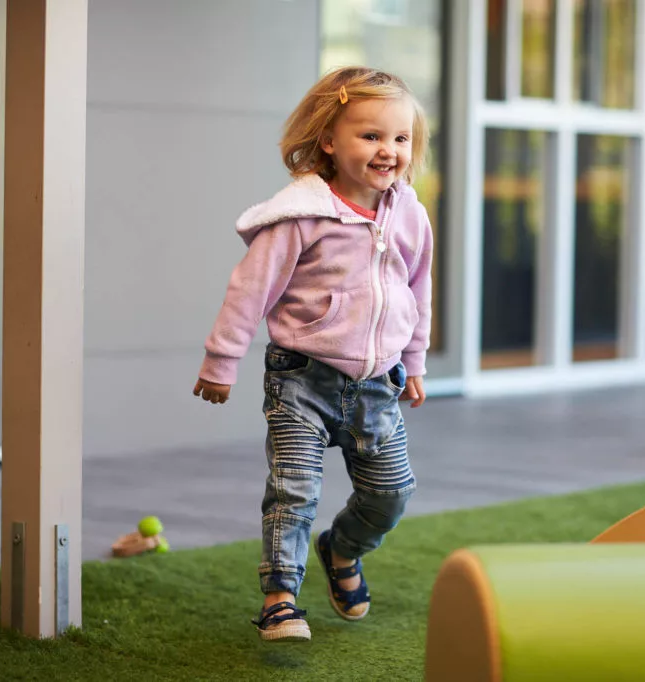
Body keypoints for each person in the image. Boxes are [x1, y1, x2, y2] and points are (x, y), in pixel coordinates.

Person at [192, 66, 433, 642]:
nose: (388, 151)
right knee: (294, 488)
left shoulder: (409, 216)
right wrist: (221, 362)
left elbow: (417, 290)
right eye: (371, 136)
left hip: (377, 383)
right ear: (329, 139)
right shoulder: (301, 214)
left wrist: (416, 361)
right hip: (302, 378)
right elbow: (252, 289)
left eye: (400, 139)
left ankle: (342, 550)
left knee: (391, 493)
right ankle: (280, 598)